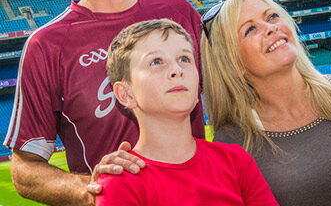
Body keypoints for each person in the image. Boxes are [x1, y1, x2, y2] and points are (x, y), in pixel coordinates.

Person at [3, 0, 205, 206]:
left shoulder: (179, 13)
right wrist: (95, 188)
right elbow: (25, 169)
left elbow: (231, 106)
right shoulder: (47, 45)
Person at [201, 0, 331, 206]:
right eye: (250, 29)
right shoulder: (231, 144)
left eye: (272, 16)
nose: (271, 28)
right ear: (233, 64)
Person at [95, 19, 278, 206]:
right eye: (156, 62)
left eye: (184, 59)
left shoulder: (236, 161)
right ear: (125, 94)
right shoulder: (120, 182)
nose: (177, 70)